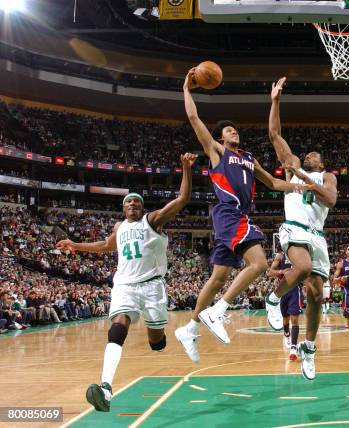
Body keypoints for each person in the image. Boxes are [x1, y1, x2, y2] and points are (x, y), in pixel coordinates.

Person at [174, 70, 306, 363]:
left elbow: (272, 183)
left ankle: (190, 327)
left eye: (235, 130)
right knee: (258, 263)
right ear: (220, 137)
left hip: (236, 217)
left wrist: (298, 185)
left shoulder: (248, 158)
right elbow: (195, 119)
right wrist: (186, 88)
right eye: (229, 130)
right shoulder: (217, 150)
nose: (234, 131)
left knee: (218, 277)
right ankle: (218, 311)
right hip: (229, 213)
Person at [56, 153, 197, 412]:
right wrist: (75, 245)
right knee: (118, 327)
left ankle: (163, 335)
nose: (132, 204)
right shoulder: (119, 228)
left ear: (142, 207)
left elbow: (182, 199)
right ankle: (106, 388)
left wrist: (186, 169)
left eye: (136, 201)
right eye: (128, 201)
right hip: (125, 286)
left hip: (152, 286)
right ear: (123, 208)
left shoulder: (152, 220)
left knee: (157, 343)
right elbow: (104, 246)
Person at [264, 77, 338, 380]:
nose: (308, 156)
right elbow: (274, 134)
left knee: (317, 296)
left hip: (317, 235)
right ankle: (273, 298)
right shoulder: (293, 163)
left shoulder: (327, 177)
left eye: (314, 157)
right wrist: (275, 100)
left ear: (322, 163)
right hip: (294, 228)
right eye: (307, 156)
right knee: (303, 267)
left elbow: (331, 200)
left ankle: (308, 346)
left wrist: (303, 178)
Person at [269, 250, 302, 361]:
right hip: (282, 290)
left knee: (295, 319)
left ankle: (293, 347)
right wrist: (282, 271)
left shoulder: (299, 254)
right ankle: (286, 334)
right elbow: (270, 272)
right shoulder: (280, 256)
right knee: (285, 319)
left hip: (295, 290)